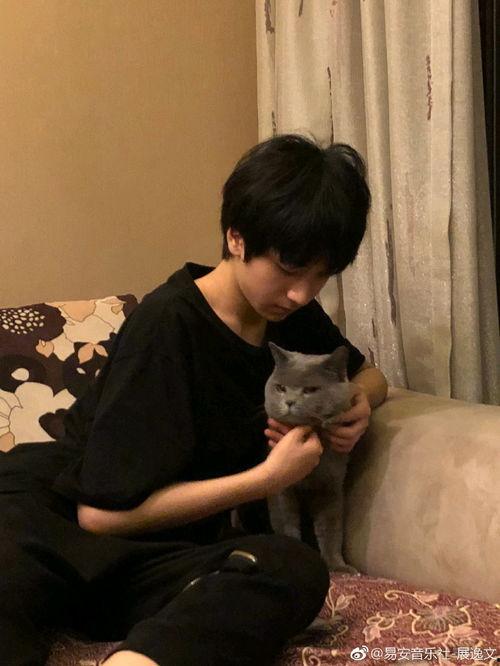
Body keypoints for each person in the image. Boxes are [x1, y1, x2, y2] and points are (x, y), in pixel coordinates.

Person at [0, 134, 387, 666]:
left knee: (292, 569)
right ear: (236, 237)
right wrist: (267, 479)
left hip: (157, 555)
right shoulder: (167, 323)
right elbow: (99, 516)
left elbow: (369, 375)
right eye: (289, 268)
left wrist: (356, 402)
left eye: (320, 275)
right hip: (51, 525)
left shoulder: (289, 316)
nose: (302, 292)